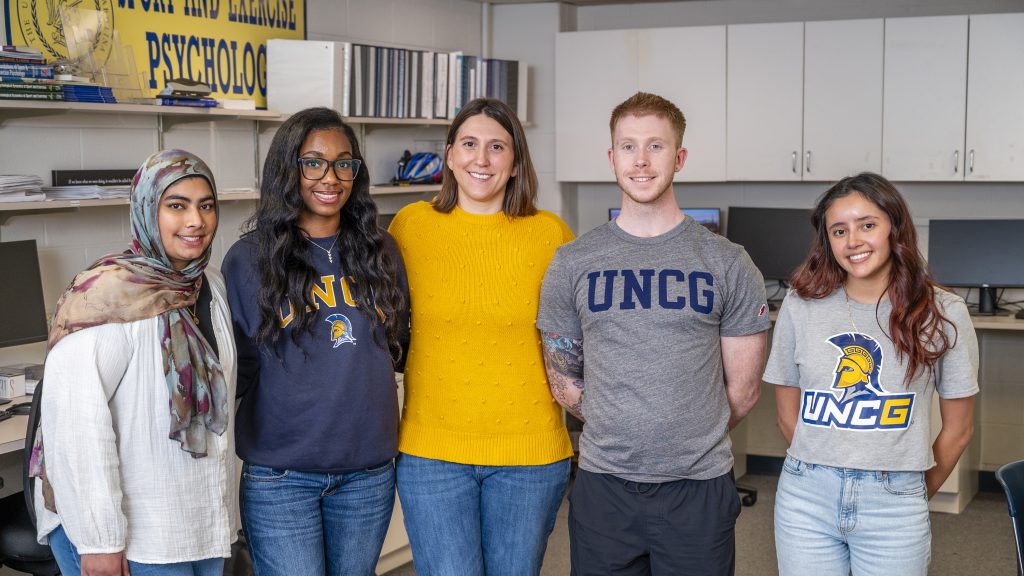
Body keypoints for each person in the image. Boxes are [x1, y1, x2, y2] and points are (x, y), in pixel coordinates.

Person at [537, 91, 770, 576]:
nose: (641, 161)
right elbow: (564, 381)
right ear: (611, 157)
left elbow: (743, 391)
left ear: (679, 157)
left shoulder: (728, 262)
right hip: (604, 487)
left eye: (656, 147)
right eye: (628, 147)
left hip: (698, 489)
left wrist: (686, 435)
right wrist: (620, 426)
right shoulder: (573, 262)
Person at [388, 97, 574, 576]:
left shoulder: (550, 235)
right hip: (433, 455)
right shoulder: (410, 227)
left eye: (497, 147)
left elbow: (574, 342)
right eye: (469, 144)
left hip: (529, 455)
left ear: (515, 163)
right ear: (450, 155)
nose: (482, 159)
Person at [221, 107, 409, 576]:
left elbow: (396, 344)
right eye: (314, 162)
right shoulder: (250, 259)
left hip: (367, 471)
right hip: (281, 476)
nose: (331, 177)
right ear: (290, 168)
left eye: (344, 163)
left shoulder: (381, 250)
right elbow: (238, 369)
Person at [763, 172, 978, 576]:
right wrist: (826, 461)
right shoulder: (800, 304)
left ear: (894, 227)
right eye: (839, 230)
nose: (853, 241)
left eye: (867, 225)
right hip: (805, 497)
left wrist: (909, 493)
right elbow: (787, 414)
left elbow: (958, 430)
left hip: (895, 500)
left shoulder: (944, 313)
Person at [34, 149, 237, 576]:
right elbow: (75, 430)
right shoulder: (103, 297)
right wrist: (99, 542)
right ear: (147, 209)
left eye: (206, 205)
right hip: (132, 536)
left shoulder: (210, 285)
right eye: (176, 205)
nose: (195, 221)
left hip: (196, 522)